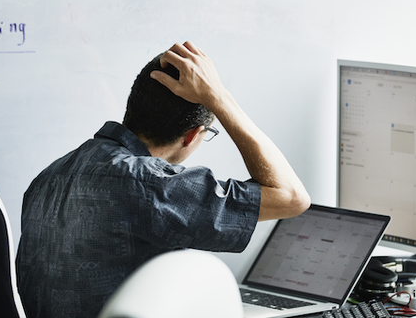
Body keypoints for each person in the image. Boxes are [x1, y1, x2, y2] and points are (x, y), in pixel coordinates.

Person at [16, 41, 310, 318]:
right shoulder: (149, 186)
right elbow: (292, 197)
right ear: (193, 134)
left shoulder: (50, 176)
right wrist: (220, 99)